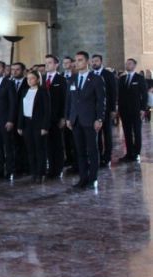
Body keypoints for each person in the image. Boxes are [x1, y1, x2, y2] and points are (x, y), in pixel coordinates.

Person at [65, 51, 106, 189]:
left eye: (80, 60)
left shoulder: (96, 79)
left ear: (87, 62)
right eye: (76, 60)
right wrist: (68, 118)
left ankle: (92, 178)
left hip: (90, 120)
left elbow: (101, 101)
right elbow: (69, 101)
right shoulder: (73, 79)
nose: (77, 63)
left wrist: (99, 119)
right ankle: (83, 178)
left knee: (92, 150)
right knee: (80, 151)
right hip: (75, 120)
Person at [17, 71, 51, 183]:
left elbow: (47, 111)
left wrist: (45, 127)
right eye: (28, 78)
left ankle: (41, 173)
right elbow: (21, 110)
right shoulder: (24, 91)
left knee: (40, 150)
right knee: (30, 150)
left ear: (37, 79)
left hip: (38, 124)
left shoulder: (43, 91)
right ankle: (34, 172)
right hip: (27, 124)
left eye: (32, 78)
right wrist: (20, 125)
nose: (29, 80)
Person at [118, 58, 148, 163]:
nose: (127, 65)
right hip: (124, 110)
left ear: (134, 65)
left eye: (130, 64)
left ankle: (137, 153)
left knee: (136, 131)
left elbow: (144, 95)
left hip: (136, 110)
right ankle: (129, 152)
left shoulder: (139, 78)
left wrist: (143, 109)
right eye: (126, 63)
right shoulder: (122, 79)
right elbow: (119, 95)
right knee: (127, 132)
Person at [91, 54, 118, 167]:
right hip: (93, 110)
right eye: (93, 61)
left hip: (106, 109)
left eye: (96, 61)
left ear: (101, 62)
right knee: (97, 133)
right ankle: (99, 156)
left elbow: (113, 92)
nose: (94, 63)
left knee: (107, 133)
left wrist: (113, 108)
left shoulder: (108, 74)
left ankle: (107, 157)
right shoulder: (91, 75)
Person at [43, 54, 67, 179]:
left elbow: (65, 99)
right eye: (46, 62)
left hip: (57, 117)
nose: (47, 65)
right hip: (44, 118)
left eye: (50, 62)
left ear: (56, 64)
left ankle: (58, 168)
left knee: (57, 143)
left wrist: (63, 117)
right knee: (47, 143)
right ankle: (50, 167)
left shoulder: (61, 80)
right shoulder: (41, 79)